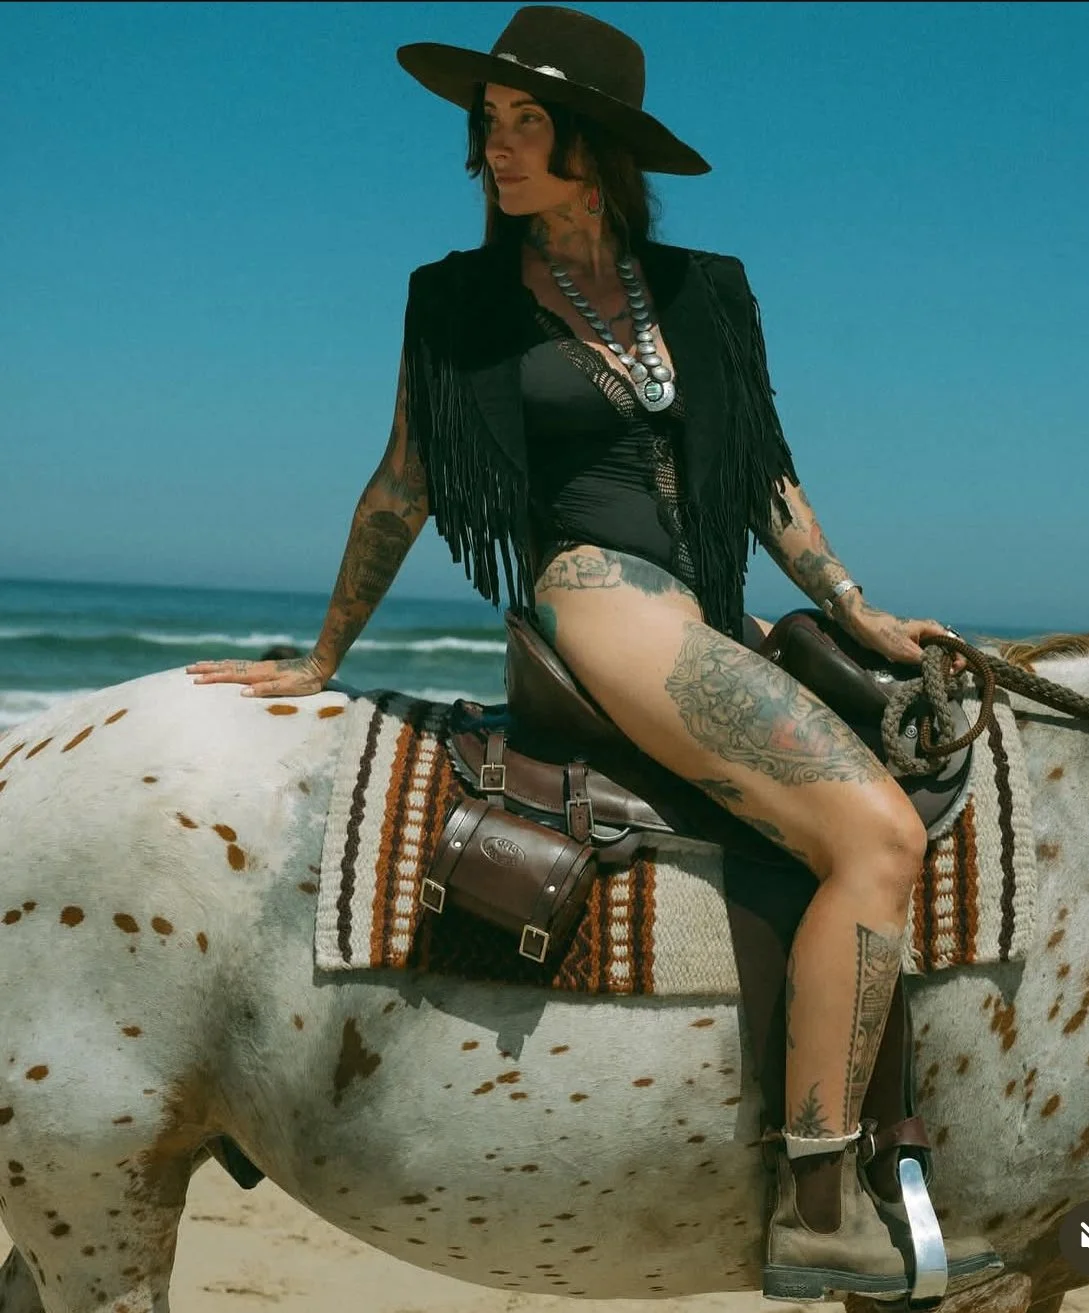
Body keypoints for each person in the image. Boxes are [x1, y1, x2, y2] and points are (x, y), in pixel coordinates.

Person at [187, 6, 995, 1298]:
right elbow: (402, 487)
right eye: (488, 125)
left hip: (708, 607)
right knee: (877, 839)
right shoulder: (457, 300)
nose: (496, 149)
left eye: (527, 123)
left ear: (597, 149)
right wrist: (324, 658)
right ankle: (817, 1199)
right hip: (600, 594)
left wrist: (855, 607)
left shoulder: (706, 288)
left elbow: (763, 477)